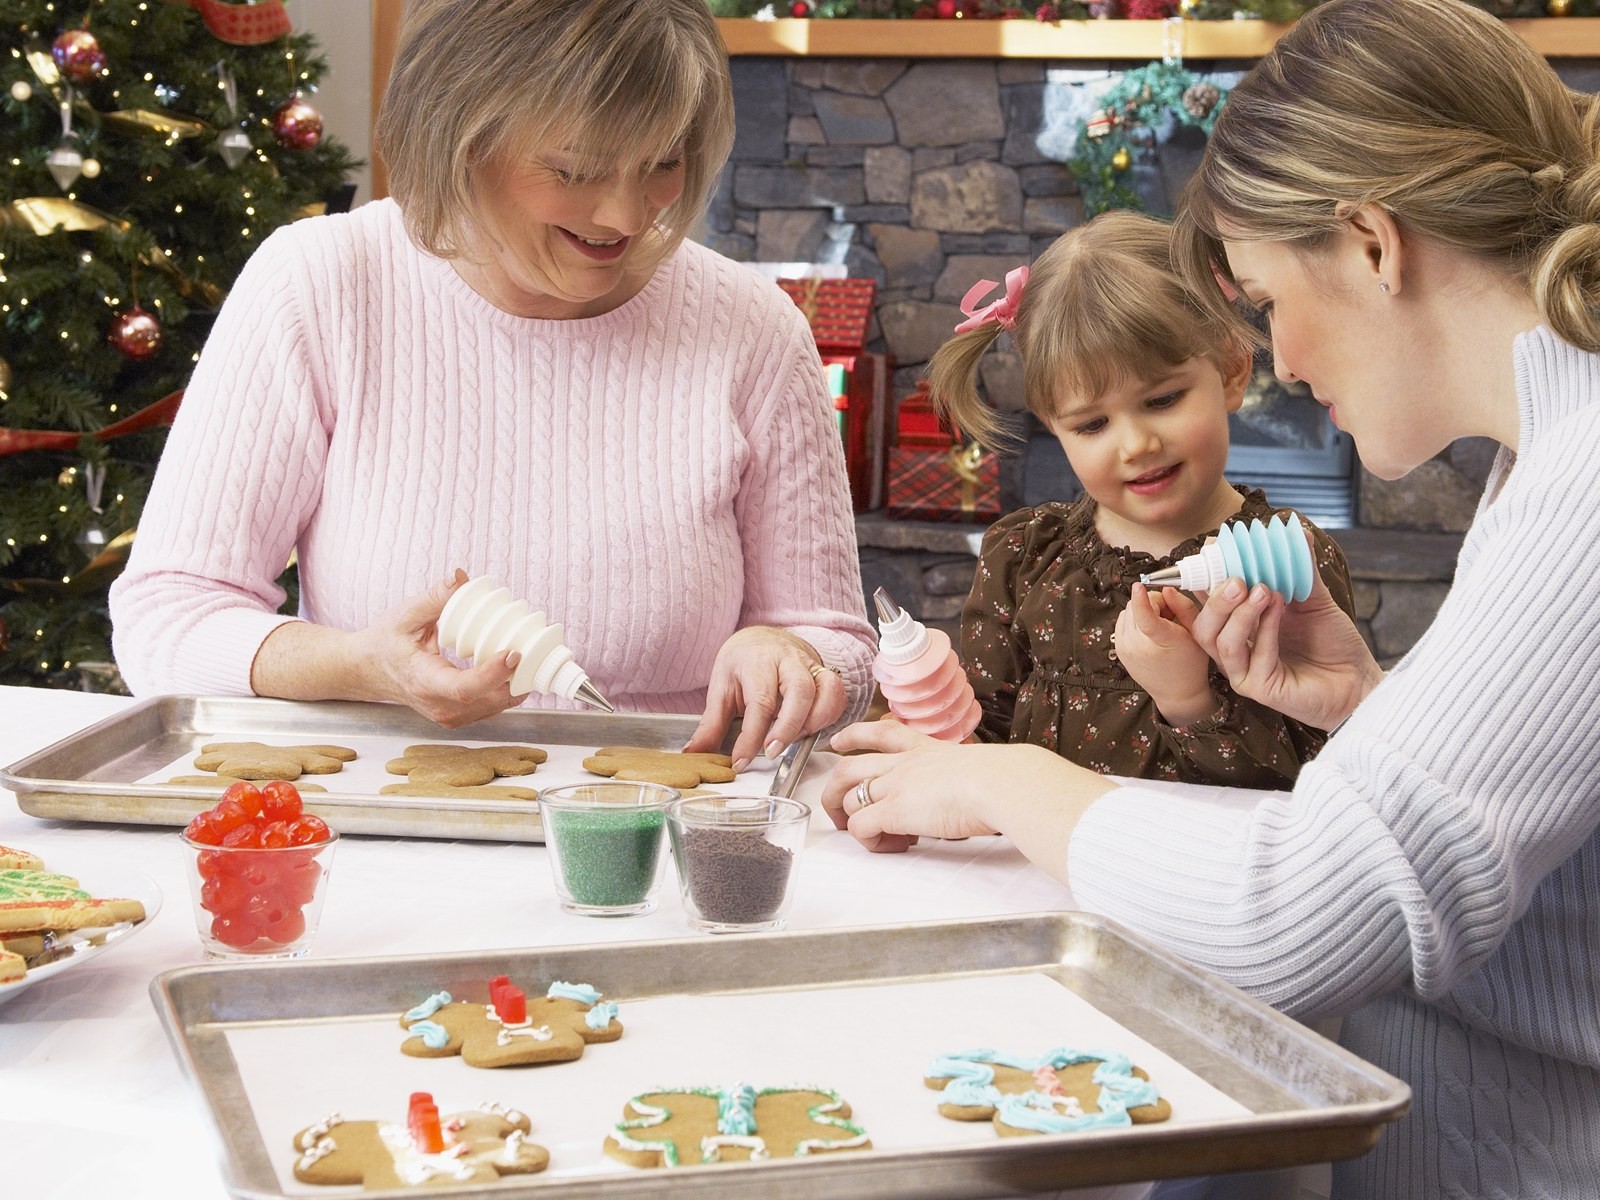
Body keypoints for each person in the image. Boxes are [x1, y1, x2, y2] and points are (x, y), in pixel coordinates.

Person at [823, 0, 1600, 1194]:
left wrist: (1000, 778)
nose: (1284, 362)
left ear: (1370, 244)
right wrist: (1366, 706)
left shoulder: (1582, 486)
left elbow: (1311, 919)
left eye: (1270, 299)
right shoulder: (1544, 450)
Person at [108, 0, 874, 768]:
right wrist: (363, 668)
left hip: (672, 829)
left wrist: (791, 656)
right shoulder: (323, 285)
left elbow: (836, 642)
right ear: (458, 139)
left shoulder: (753, 329)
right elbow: (169, 617)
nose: (626, 213)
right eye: (576, 169)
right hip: (381, 820)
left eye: (662, 163)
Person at [927, 211, 1353, 788]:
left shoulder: (1289, 562)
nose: (1136, 445)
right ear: (1055, 426)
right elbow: (985, 743)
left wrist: (1189, 701)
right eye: (1092, 424)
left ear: (1231, 370)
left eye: (1162, 400)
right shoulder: (1024, 558)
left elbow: (1322, 781)